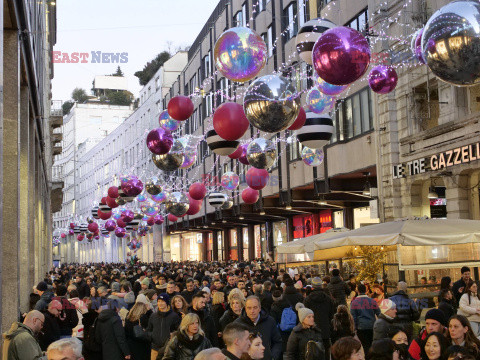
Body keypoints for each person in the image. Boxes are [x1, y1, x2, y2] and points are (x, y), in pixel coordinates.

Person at [234, 296, 282, 360]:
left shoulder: (270, 321)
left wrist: (272, 357)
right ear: (245, 309)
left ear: (259, 308)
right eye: (249, 308)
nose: (252, 311)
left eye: (255, 307)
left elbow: (277, 342)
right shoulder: (237, 324)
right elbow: (235, 346)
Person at [304, 277, 335, 360]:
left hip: (312, 330)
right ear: (321, 286)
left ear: (312, 287)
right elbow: (332, 315)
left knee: (313, 353)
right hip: (325, 330)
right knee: (326, 353)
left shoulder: (308, 299)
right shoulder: (328, 299)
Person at [147, 293, 181, 360]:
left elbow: (178, 331)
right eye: (159, 301)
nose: (160, 303)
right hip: (155, 349)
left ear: (167, 302)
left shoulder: (174, 316)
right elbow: (149, 329)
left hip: (168, 349)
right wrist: (152, 336)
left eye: (162, 301)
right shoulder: (153, 316)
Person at [351, 283, 380, 353]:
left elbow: (353, 317)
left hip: (361, 327)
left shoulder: (354, 302)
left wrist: (354, 328)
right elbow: (378, 313)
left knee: (364, 346)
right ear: (366, 290)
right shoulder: (372, 301)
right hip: (372, 325)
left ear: (358, 291)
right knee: (371, 344)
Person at [124, 294, 153, 360]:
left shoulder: (128, 316)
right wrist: (149, 311)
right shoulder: (143, 317)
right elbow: (150, 326)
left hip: (131, 345)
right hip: (142, 346)